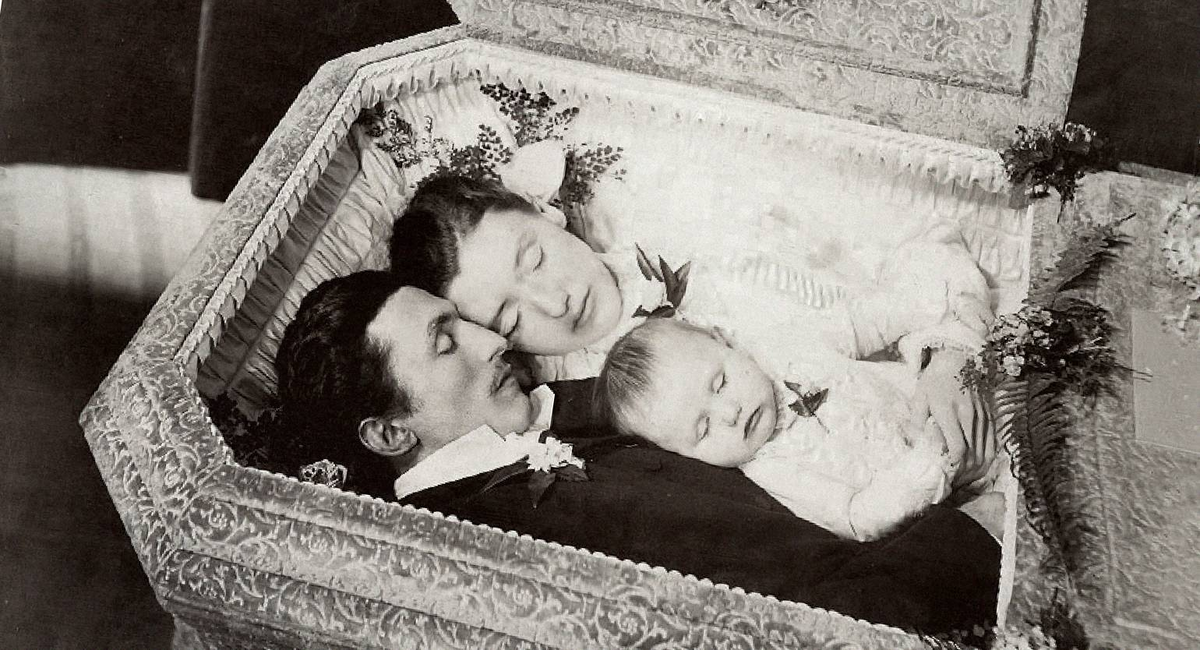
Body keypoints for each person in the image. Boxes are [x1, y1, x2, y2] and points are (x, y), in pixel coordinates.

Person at [274, 271, 1003, 633]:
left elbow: (765, 350)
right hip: (945, 565)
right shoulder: (505, 536)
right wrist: (990, 523)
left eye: (464, 321)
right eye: (445, 343)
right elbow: (822, 618)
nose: (493, 340)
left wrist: (945, 358)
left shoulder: (545, 412)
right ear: (389, 434)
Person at [390, 173, 995, 484]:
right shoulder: (585, 423)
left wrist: (949, 355)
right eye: (511, 316)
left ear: (545, 212)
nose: (555, 302)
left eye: (535, 258)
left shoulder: (699, 228)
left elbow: (915, 257)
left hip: (967, 392)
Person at [595, 317, 999, 541]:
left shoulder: (793, 343)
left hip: (970, 398)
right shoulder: (773, 473)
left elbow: (881, 317)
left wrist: (935, 353)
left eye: (720, 383)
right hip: (956, 487)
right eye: (703, 429)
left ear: (724, 339)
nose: (730, 414)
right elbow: (857, 518)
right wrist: (931, 462)